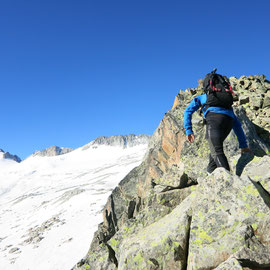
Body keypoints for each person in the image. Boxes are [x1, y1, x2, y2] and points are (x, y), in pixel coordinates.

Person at [184, 79, 251, 174]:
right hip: (228, 122)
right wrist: (243, 145)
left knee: (217, 152)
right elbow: (237, 124)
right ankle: (211, 172)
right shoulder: (226, 103)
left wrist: (189, 131)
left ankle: (230, 184)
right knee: (215, 148)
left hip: (214, 120)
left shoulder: (203, 97)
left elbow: (187, 111)